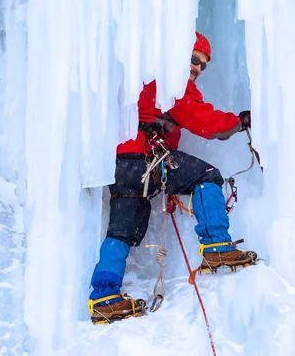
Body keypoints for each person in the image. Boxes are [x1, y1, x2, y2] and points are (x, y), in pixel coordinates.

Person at [88, 32, 257, 323]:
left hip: (121, 164)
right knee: (207, 176)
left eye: (203, 65)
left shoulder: (145, 82)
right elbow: (203, 120)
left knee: (120, 231)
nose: (197, 69)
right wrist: (240, 122)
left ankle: (104, 297)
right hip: (144, 157)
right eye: (193, 59)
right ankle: (216, 245)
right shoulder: (170, 80)